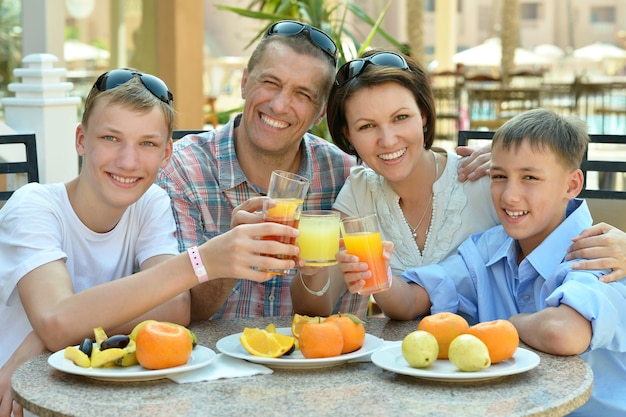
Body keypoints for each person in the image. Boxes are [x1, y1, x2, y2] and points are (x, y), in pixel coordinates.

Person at [0, 69, 301, 417]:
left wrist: (51, 335)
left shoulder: (149, 202)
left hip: (97, 401)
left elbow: (175, 309)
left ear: (166, 153)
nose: (128, 161)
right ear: (81, 139)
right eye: (111, 138)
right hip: (23, 403)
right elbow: (56, 321)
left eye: (147, 143)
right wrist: (203, 260)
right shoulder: (34, 205)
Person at [401, 109, 625, 416]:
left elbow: (563, 333)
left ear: (571, 186)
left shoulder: (599, 250)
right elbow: (412, 297)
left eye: (529, 177)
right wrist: (372, 273)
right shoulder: (489, 247)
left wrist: (504, 326)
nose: (510, 195)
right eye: (499, 176)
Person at [156, 20, 356, 320]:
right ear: (245, 82)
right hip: (214, 364)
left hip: (317, 360)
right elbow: (179, 314)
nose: (278, 105)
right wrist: (228, 258)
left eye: (303, 94)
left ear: (321, 113)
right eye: (270, 83)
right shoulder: (182, 171)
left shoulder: (344, 175)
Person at [293, 49, 499, 318]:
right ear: (348, 135)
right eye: (367, 126)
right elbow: (313, 308)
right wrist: (313, 271)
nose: (388, 140)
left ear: (423, 115)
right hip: (402, 358)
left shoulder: (480, 176)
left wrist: (516, 156)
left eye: (400, 118)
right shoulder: (360, 191)